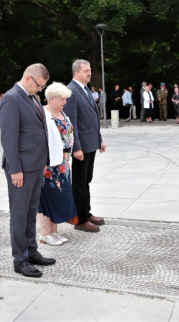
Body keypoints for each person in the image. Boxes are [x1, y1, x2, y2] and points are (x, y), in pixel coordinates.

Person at [0, 63, 56, 278]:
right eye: (40, 86)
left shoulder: (31, 97)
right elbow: (8, 138)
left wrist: (43, 161)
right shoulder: (12, 98)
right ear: (28, 78)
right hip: (21, 169)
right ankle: (20, 259)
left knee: (31, 211)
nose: (40, 90)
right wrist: (15, 169)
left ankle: (32, 251)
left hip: (35, 166)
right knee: (19, 214)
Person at [64, 59, 106, 233]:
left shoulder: (85, 89)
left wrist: (99, 140)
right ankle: (80, 219)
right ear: (76, 73)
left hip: (91, 144)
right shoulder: (71, 91)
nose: (89, 73)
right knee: (79, 183)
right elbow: (71, 123)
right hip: (81, 147)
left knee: (86, 180)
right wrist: (76, 148)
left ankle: (86, 212)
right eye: (86, 71)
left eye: (90, 70)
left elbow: (92, 118)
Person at [38, 82, 77, 246]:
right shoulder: (43, 114)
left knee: (58, 196)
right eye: (62, 99)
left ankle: (54, 232)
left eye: (65, 99)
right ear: (51, 98)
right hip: (50, 164)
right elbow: (40, 140)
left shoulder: (62, 113)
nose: (64, 102)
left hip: (63, 163)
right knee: (47, 197)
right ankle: (45, 233)